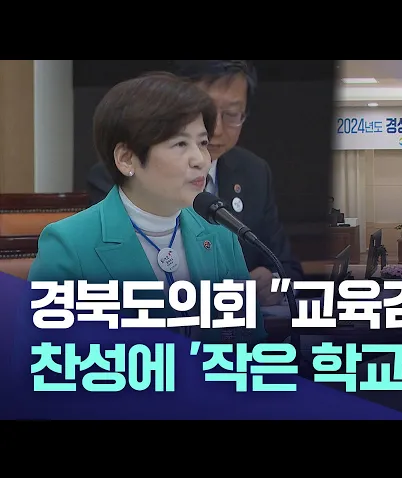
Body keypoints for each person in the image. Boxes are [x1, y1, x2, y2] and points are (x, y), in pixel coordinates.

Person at [29, 72, 265, 343]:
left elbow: (252, 346)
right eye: (180, 144)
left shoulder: (220, 234)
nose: (201, 160)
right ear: (127, 159)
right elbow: (44, 357)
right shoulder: (69, 245)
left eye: (202, 143)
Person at [86, 60, 303, 307]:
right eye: (206, 114)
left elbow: (286, 266)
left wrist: (272, 282)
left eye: (232, 114)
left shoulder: (254, 172)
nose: (216, 129)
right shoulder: (123, 174)